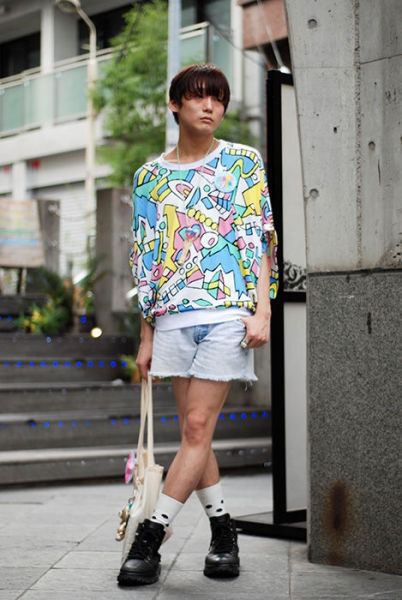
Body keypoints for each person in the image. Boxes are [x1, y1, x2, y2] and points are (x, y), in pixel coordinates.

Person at [118, 63, 278, 587]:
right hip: (171, 318)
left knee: (194, 428)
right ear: (176, 104)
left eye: (219, 99)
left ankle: (149, 539)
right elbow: (145, 260)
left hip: (228, 315)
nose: (210, 107)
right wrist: (145, 336)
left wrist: (262, 309)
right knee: (197, 434)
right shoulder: (149, 177)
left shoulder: (243, 162)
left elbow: (262, 240)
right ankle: (223, 532)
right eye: (199, 97)